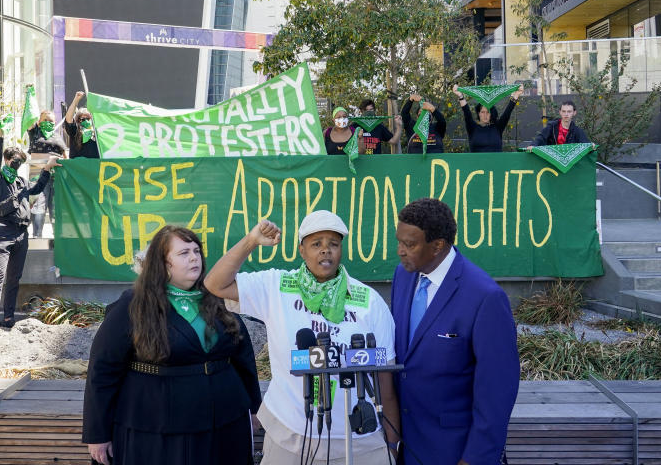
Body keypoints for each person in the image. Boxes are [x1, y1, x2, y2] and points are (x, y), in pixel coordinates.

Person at [205, 212, 402, 465]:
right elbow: (215, 284)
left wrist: (393, 446)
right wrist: (251, 241)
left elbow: (385, 379)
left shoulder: (369, 300)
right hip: (291, 435)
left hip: (360, 438)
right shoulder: (277, 285)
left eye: (333, 244)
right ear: (301, 249)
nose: (325, 251)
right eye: (316, 244)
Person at [83, 225, 262, 465]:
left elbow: (243, 357)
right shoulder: (134, 305)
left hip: (224, 422)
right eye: (183, 253)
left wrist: (253, 407)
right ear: (163, 263)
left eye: (196, 251)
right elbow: (102, 370)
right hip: (158, 430)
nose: (193, 258)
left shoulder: (217, 298)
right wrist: (98, 433)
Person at [391, 198, 519, 465]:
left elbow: (497, 392)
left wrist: (476, 459)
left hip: (454, 452)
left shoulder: (485, 297)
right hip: (406, 448)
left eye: (409, 244)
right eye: (399, 241)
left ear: (437, 246)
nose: (400, 251)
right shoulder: (402, 276)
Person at [0, 130, 60, 338]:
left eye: (21, 161)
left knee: (14, 278)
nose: (18, 163)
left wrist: (46, 169)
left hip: (21, 235)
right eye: (15, 160)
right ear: (7, 159)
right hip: (2, 233)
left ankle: (8, 318)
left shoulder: (22, 182)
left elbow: (36, 188)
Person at [27, 109, 67, 238]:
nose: (48, 123)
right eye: (45, 120)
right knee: (38, 207)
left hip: (56, 176)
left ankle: (58, 238)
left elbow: (65, 154)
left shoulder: (57, 136)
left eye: (51, 121)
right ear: (39, 122)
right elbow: (28, 119)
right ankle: (37, 236)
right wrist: (30, 93)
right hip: (38, 175)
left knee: (55, 208)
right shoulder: (34, 133)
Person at [455, 84, 523, 152]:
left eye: (488, 112)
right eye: (482, 112)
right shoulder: (472, 128)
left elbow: (507, 113)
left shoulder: (497, 127)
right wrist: (460, 96)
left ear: (491, 114)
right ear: (479, 114)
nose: (485, 115)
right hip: (476, 162)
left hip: (496, 162)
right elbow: (467, 112)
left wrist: (516, 95)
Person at [65, 90, 100, 158]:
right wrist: (76, 100)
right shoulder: (75, 130)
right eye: (82, 119)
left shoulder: (98, 131)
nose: (86, 121)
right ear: (78, 120)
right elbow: (69, 119)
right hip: (77, 165)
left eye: (88, 119)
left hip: (94, 164)